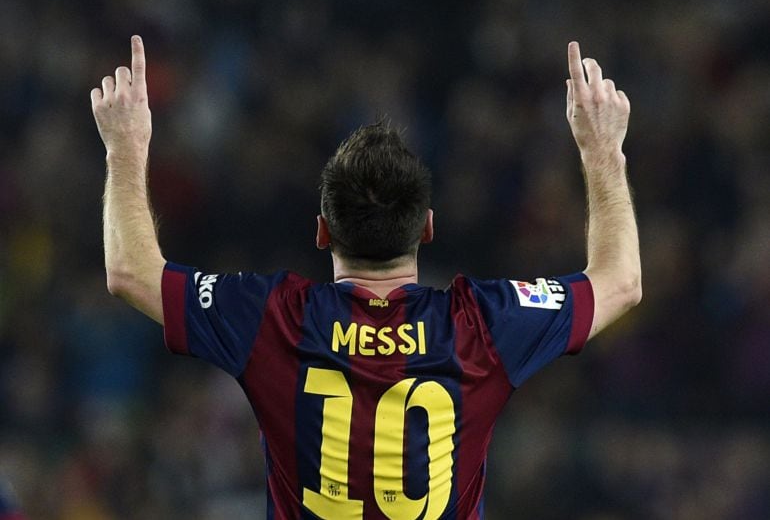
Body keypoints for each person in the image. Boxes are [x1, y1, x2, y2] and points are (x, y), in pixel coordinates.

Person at [91, 36, 640, 519]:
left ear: (322, 232)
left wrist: (126, 147)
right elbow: (620, 283)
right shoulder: (484, 325)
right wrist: (602, 152)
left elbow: (131, 273)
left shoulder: (271, 317)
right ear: (427, 229)